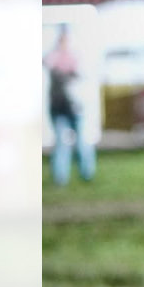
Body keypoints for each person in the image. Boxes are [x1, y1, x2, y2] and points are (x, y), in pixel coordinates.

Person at [44, 26, 96, 186]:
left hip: (74, 106)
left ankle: (87, 173)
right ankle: (60, 177)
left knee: (81, 141)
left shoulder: (75, 56)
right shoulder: (53, 56)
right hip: (59, 106)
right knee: (61, 142)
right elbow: (48, 64)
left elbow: (80, 74)